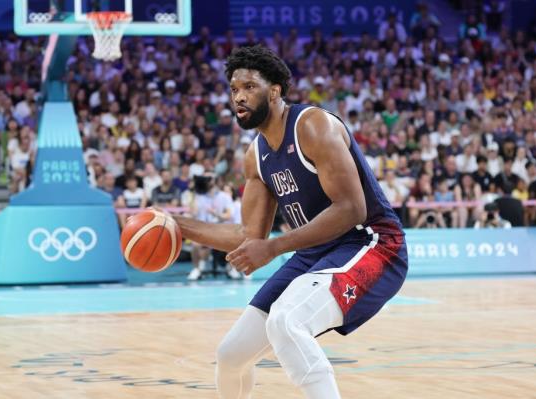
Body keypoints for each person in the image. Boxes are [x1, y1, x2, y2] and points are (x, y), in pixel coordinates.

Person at [169, 46, 408, 399]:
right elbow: (248, 236)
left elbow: (351, 209)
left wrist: (275, 247)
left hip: (372, 245)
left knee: (286, 320)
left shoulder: (313, 125)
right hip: (314, 255)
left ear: (275, 91)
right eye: (234, 89)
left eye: (249, 87)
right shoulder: (256, 156)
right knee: (231, 356)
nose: (239, 97)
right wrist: (177, 226)